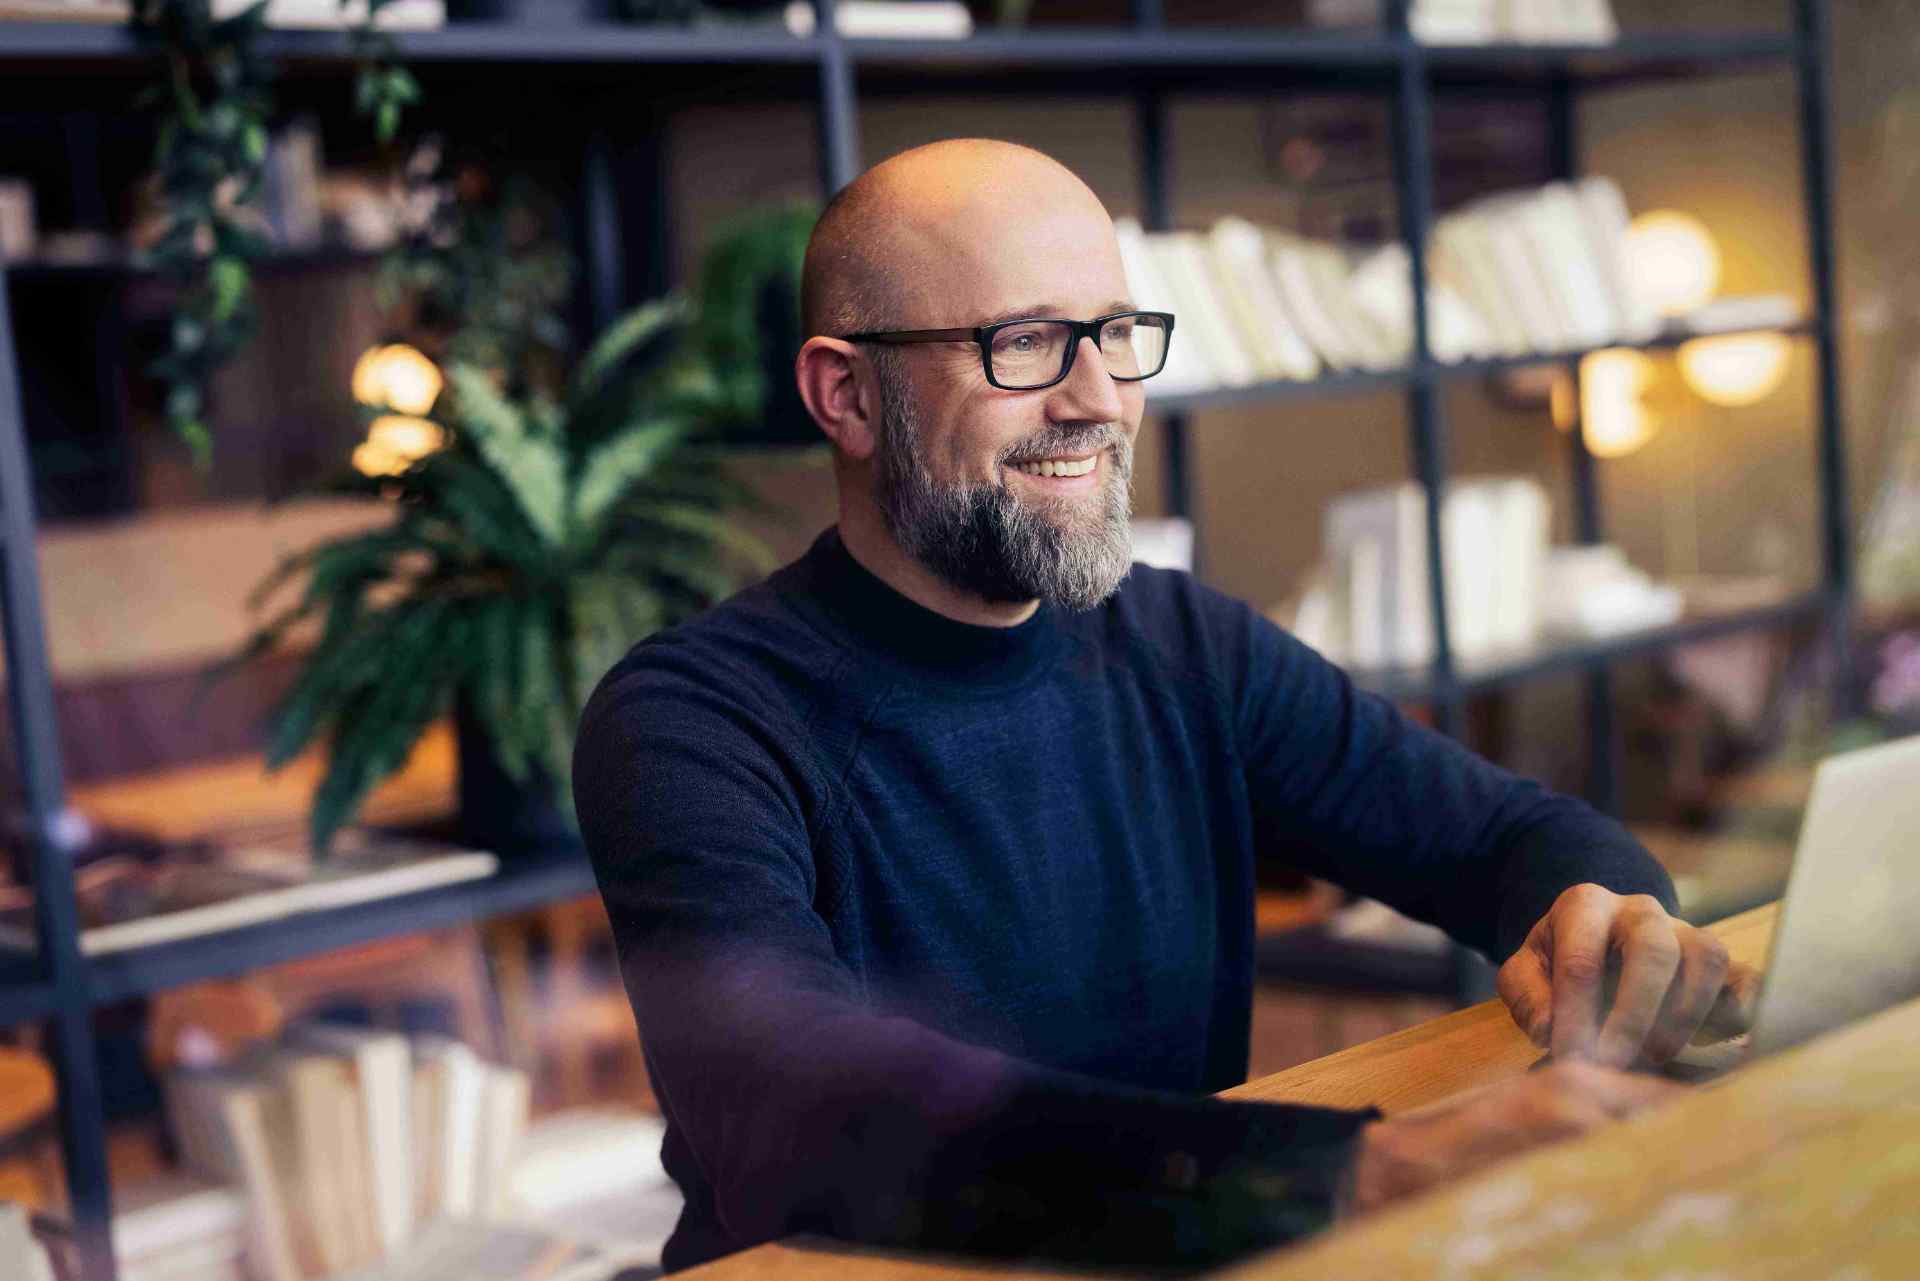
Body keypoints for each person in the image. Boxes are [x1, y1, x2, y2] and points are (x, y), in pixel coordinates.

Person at [572, 139, 1755, 1274]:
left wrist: (1609, 916)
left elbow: (1503, 835)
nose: (1099, 399)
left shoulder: (1187, 645)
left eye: (1118, 335)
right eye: (1026, 342)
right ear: (847, 394)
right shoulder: (692, 723)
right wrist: (1358, 1171)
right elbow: (797, 1108)